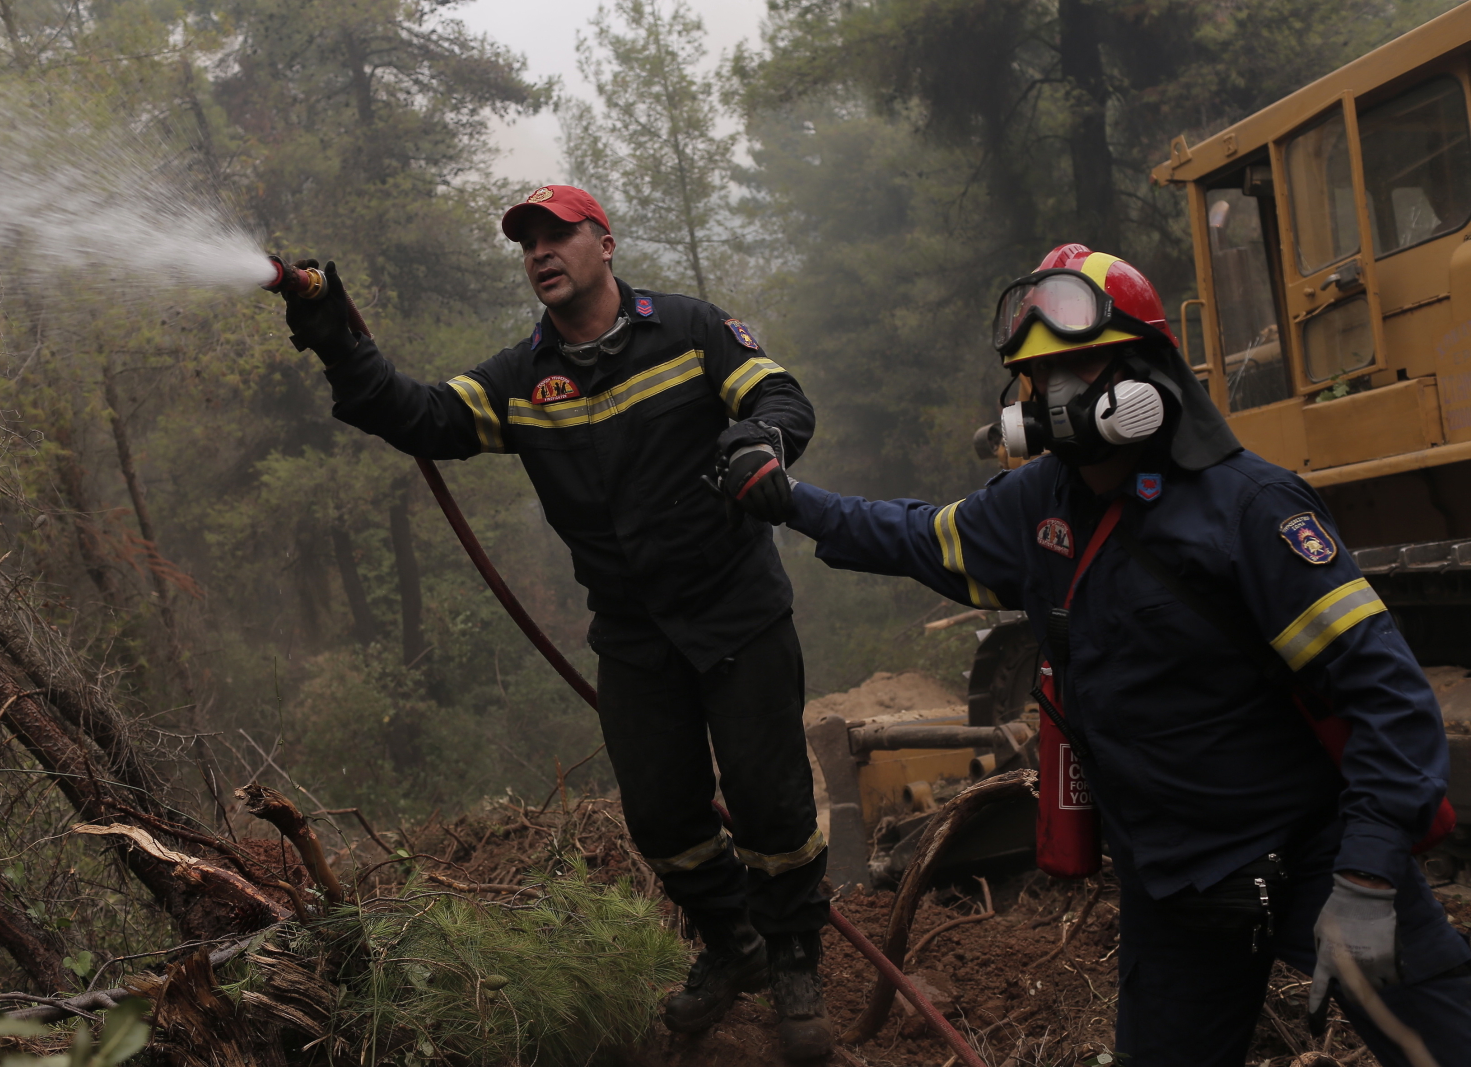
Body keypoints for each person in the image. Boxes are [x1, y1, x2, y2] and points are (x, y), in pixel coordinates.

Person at [778, 244, 1471, 1066]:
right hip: (1173, 890)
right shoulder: (1034, 506)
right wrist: (786, 498)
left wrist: (1365, 881)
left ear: (1146, 374)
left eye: (1080, 369)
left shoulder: (1251, 509)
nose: (1055, 397)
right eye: (1038, 380)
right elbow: (912, 535)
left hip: (1315, 858)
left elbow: (1386, 698)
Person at [280, 185, 832, 1058]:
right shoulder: (518, 379)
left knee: (772, 803)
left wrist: (758, 439)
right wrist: (338, 339)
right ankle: (735, 945)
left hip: (736, 610)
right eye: (526, 241)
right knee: (662, 817)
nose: (540, 251)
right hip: (633, 634)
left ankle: (798, 958)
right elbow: (418, 415)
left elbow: (781, 396)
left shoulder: (690, 330)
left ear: (604, 244)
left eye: (558, 235)